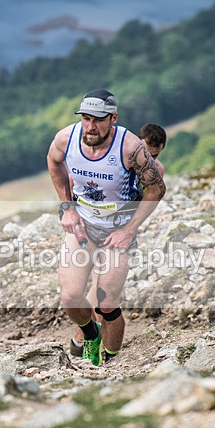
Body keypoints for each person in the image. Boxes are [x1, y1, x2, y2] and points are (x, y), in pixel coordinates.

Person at [48, 89, 166, 366]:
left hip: (117, 231)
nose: (90, 126)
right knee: (70, 297)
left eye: (98, 120)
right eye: (86, 118)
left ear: (113, 118)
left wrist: (129, 230)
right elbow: (54, 162)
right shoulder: (66, 138)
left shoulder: (130, 147)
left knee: (107, 302)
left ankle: (111, 363)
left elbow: (157, 189)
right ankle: (91, 334)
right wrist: (67, 206)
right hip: (83, 225)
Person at [69, 122, 168, 357]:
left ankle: (86, 344)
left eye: (155, 155)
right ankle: (83, 340)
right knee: (88, 287)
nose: (149, 159)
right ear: (138, 144)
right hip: (91, 224)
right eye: (147, 153)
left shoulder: (155, 170)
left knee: (103, 289)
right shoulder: (116, 158)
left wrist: (129, 228)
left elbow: (149, 198)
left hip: (121, 231)